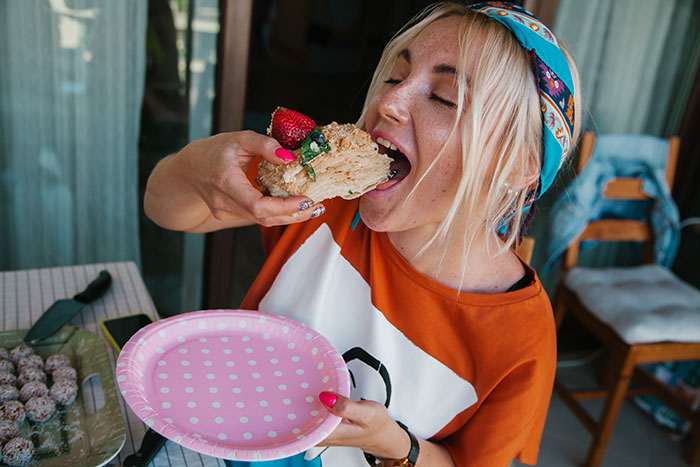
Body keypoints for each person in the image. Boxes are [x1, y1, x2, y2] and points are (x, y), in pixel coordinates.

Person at [144, 2, 581, 466]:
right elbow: (163, 207)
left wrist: (397, 446)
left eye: (444, 97)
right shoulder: (324, 200)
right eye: (394, 77)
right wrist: (195, 169)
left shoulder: (520, 336)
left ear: (516, 166)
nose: (387, 103)